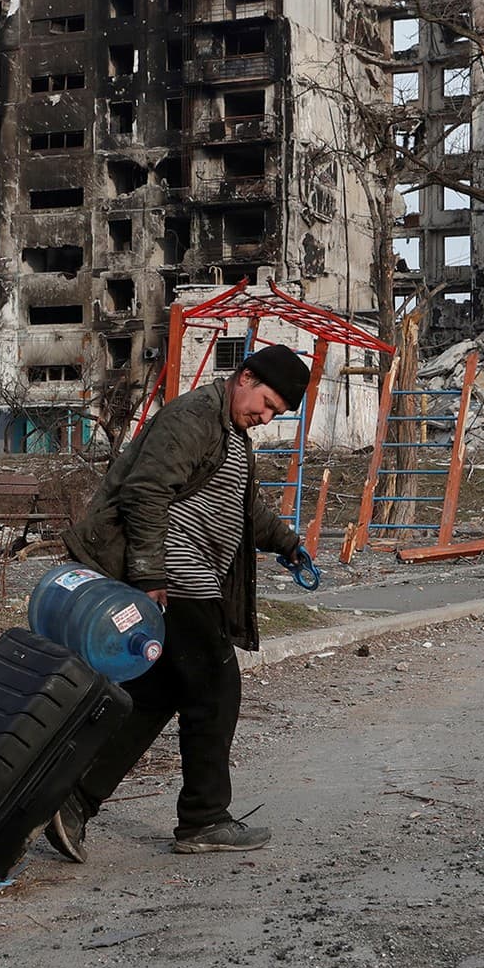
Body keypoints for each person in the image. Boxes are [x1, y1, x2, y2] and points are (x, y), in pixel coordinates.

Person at [48, 343, 314, 858]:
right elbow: (144, 492)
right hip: (176, 576)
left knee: (158, 693)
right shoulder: (193, 417)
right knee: (216, 685)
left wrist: (289, 544)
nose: (264, 417)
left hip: (187, 578)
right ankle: (204, 819)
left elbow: (245, 509)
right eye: (265, 404)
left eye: (276, 414)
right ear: (245, 376)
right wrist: (149, 575)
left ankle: (72, 799)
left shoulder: (232, 436)